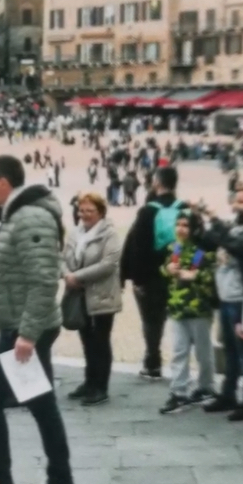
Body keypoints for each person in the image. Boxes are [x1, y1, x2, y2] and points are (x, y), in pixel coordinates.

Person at [0, 155, 79, 484]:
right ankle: (61, 481)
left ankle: (1, 482)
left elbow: (45, 279)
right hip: (21, 323)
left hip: (24, 328)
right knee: (40, 402)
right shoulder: (20, 214)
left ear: (3, 181)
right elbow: (22, 263)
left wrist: (27, 335)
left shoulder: (29, 216)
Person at [199, 186, 243, 421]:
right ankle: (228, 393)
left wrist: (217, 221)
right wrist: (206, 220)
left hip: (241, 298)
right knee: (229, 350)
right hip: (226, 295)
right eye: (235, 200)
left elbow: (239, 248)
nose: (237, 205)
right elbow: (207, 242)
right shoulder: (234, 226)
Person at [121, 166, 185, 381]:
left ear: (157, 183)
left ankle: (153, 362)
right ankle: (181, 368)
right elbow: (200, 245)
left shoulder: (148, 211)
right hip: (179, 274)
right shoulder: (184, 209)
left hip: (151, 277)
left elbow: (136, 247)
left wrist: (133, 278)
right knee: (180, 320)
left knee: (151, 322)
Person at [62, 192, 121, 406]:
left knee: (101, 341)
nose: (85, 214)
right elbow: (63, 257)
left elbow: (109, 264)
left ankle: (100, 386)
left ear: (100, 212)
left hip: (102, 296)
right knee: (86, 339)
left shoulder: (109, 234)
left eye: (90, 211)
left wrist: (77, 276)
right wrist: (66, 274)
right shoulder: (75, 233)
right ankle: (89, 381)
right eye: (81, 210)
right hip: (79, 295)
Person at [158, 213, 217, 415]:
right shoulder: (174, 248)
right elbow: (165, 270)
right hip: (177, 307)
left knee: (203, 352)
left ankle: (207, 387)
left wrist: (194, 275)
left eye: (186, 225)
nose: (181, 229)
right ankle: (179, 392)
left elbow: (210, 276)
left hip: (198, 308)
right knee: (178, 351)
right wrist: (167, 269)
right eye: (178, 224)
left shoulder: (201, 251)